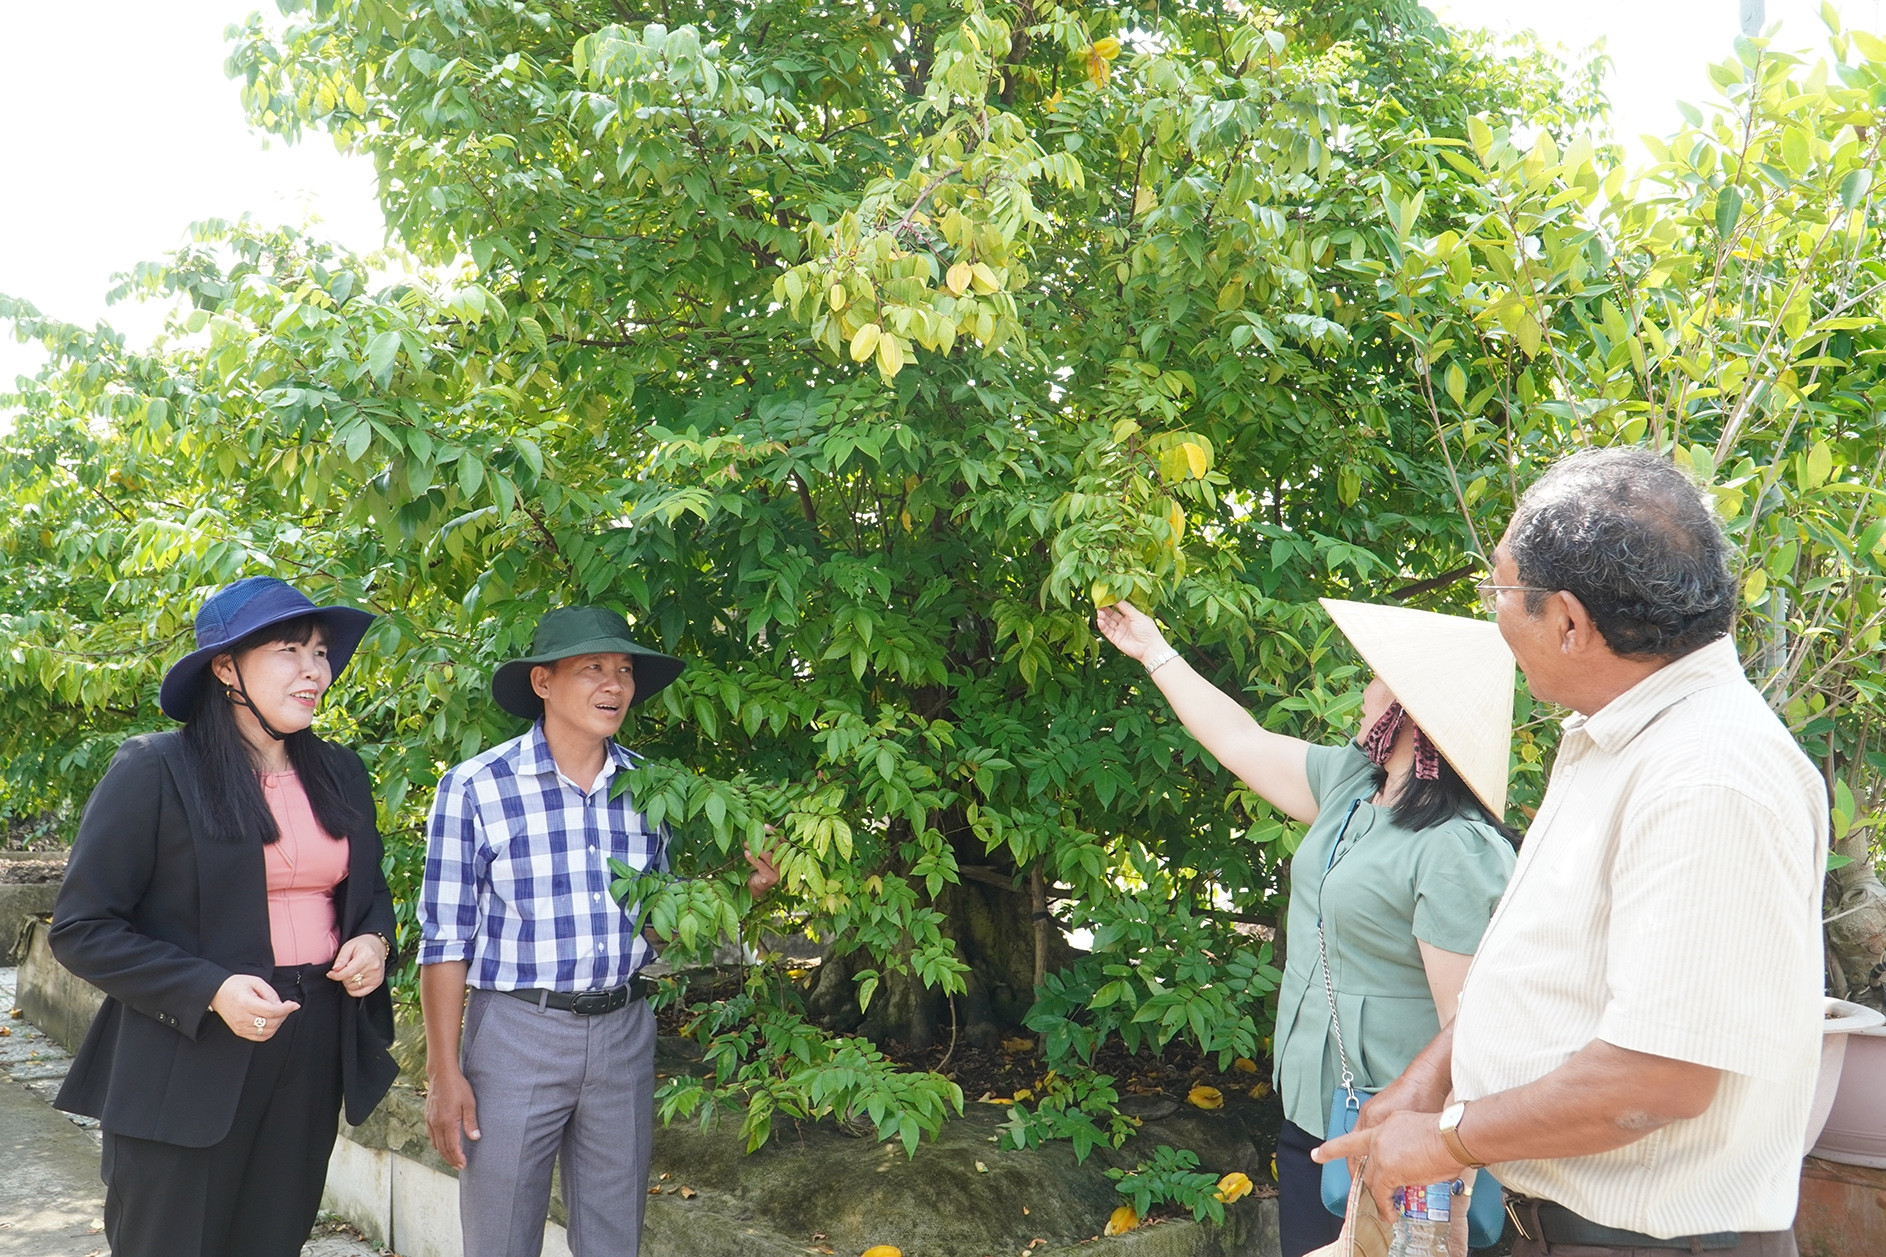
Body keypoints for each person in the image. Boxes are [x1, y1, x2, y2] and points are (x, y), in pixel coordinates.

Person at [1317, 447, 1828, 1257]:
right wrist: (1433, 1073)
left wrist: (1448, 1140)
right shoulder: (1619, 732)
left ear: (1567, 620)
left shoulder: (1708, 778)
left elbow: (1655, 1079)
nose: (1493, 616)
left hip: (1645, 1241)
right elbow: (1558, 972)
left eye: (1499, 591)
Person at [1096, 595, 1519, 1257]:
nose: (1363, 690)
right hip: (1315, 1122)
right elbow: (1241, 740)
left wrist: (1440, 1183)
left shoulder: (1455, 847)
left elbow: (1469, 1032)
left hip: (1402, 1147)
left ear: (1410, 709)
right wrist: (1154, 650)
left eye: (1377, 679)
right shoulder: (1354, 786)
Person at [49, 576, 398, 1257]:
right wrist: (212, 988)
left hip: (311, 1049)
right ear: (226, 667)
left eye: (321, 652)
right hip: (186, 1061)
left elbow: (368, 892)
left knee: (275, 1237)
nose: (313, 669)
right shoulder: (156, 768)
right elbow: (82, 927)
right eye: (290, 650)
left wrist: (374, 939)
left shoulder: (341, 771)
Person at [418, 605, 782, 1257]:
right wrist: (444, 1074)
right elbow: (446, 941)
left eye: (623, 670)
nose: (614, 685)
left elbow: (662, 928)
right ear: (542, 683)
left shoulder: (651, 790)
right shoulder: (475, 788)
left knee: (615, 1240)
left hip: (623, 1033)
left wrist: (740, 898)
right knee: (499, 1239)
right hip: (516, 1036)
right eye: (592, 668)